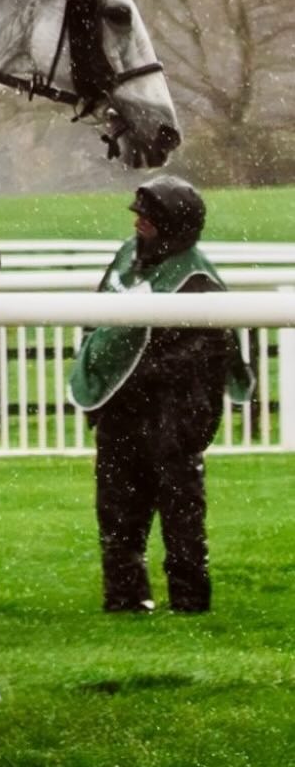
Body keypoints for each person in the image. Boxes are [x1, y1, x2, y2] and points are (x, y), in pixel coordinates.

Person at [69, 175, 253, 614]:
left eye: (146, 218)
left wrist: (179, 425)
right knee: (116, 512)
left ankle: (189, 602)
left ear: (172, 224)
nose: (137, 224)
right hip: (123, 411)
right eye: (137, 216)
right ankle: (124, 599)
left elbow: (205, 359)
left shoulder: (197, 280)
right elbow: (98, 318)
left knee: (180, 514)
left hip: (174, 416)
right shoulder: (127, 259)